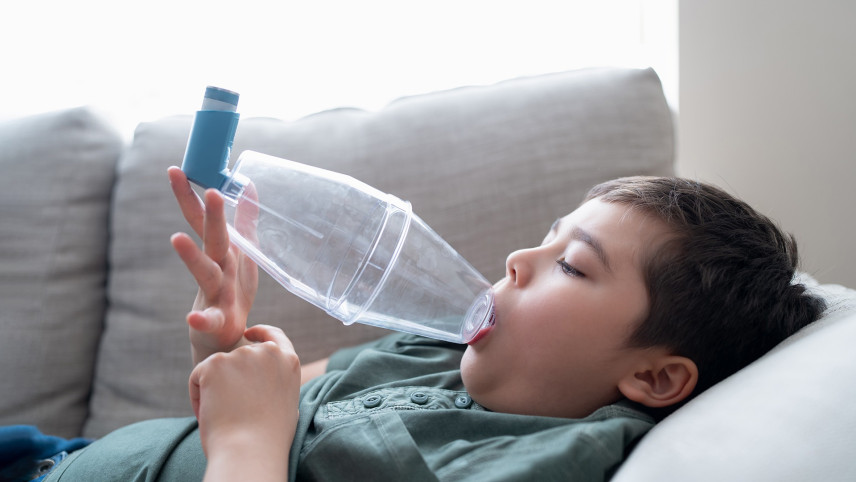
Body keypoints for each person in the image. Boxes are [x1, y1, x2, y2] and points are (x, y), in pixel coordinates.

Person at [40, 171, 825, 481]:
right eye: (546, 236)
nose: (520, 257)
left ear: (654, 376)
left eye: (573, 266)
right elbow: (272, 400)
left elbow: (253, 437)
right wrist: (223, 352)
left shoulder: (541, 460)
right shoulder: (444, 350)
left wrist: (247, 443)